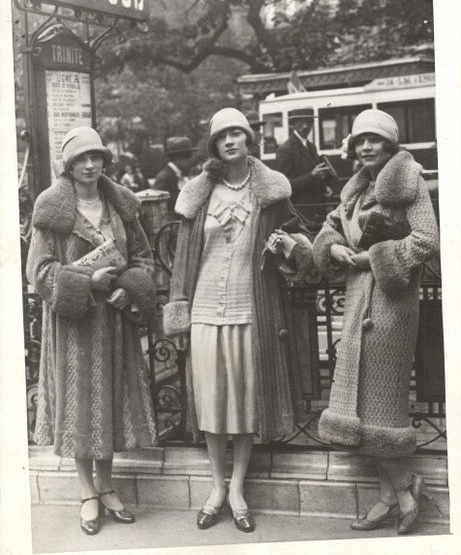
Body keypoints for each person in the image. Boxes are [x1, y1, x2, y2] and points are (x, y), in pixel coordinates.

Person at [162, 108, 318, 533]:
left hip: (252, 310)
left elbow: (301, 241)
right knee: (212, 400)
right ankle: (216, 487)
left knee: (246, 402)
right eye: (222, 135)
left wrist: (289, 244)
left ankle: (238, 489)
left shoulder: (269, 191)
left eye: (238, 133)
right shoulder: (199, 192)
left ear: (249, 140)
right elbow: (182, 263)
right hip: (205, 310)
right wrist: (178, 310)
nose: (231, 140)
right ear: (213, 144)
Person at [312, 109, 439, 535]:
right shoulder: (356, 190)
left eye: (376, 140)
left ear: (390, 145)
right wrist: (331, 249)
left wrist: (372, 258)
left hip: (391, 306)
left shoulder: (410, 184)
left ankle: (402, 488)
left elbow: (426, 239)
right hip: (356, 303)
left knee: (377, 403)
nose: (366, 147)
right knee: (359, 406)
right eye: (360, 141)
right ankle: (394, 493)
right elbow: (330, 227)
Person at [26, 126, 158, 536]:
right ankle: (86, 492)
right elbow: (39, 271)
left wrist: (128, 290)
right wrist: (86, 282)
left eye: (96, 157)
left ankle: (107, 487)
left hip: (114, 322)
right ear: (68, 165)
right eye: (81, 158)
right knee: (80, 402)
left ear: (105, 161)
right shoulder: (52, 210)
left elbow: (143, 260)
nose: (89, 165)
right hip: (74, 327)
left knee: (111, 402)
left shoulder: (120, 207)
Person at [275, 108, 329, 224]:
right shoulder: (285, 150)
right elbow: (284, 186)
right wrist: (312, 175)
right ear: (293, 124)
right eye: (301, 122)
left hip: (317, 211)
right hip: (300, 213)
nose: (305, 126)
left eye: (309, 122)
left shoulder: (311, 146)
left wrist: (324, 187)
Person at [151, 136, 195, 213]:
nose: (190, 160)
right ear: (178, 157)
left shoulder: (182, 176)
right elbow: (160, 211)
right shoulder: (164, 178)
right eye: (188, 156)